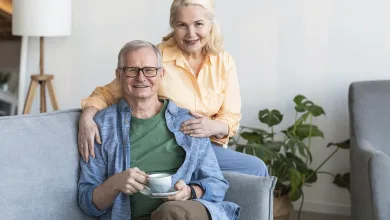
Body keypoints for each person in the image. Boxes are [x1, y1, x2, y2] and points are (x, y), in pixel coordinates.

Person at [79, 0, 268, 177]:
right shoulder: (155, 58)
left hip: (208, 146)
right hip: (170, 145)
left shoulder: (224, 61)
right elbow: (107, 94)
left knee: (256, 169)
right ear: (173, 27)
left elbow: (231, 117)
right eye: (182, 25)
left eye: (198, 24)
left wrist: (214, 126)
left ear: (211, 25)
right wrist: (86, 118)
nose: (190, 33)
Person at [78, 40, 240, 220]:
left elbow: (216, 184)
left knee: (171, 212)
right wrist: (115, 184)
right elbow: (87, 203)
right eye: (132, 70)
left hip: (184, 213)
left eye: (149, 70)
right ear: (119, 75)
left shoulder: (188, 122)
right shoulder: (101, 127)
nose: (141, 78)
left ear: (161, 75)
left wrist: (189, 192)